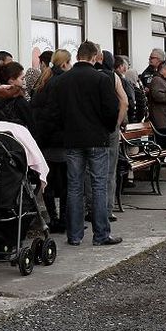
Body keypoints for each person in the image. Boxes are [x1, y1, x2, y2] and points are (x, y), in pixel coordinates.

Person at [53, 41, 121, 247]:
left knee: (74, 187)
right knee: (99, 185)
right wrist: (107, 128)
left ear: (77, 56)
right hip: (97, 139)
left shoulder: (63, 80)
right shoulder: (101, 79)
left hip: (73, 139)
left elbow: (57, 111)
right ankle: (101, 234)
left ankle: (74, 235)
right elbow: (111, 110)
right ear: (93, 57)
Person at [31, 49, 72, 232]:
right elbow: (57, 113)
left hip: (44, 140)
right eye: (69, 63)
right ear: (64, 64)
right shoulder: (61, 82)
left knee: (48, 182)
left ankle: (54, 219)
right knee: (64, 184)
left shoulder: (43, 81)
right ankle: (61, 220)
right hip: (58, 140)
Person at [91, 48, 127, 222]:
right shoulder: (113, 77)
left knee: (88, 170)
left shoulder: (88, 75)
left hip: (90, 128)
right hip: (109, 128)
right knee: (109, 170)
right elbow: (125, 102)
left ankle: (91, 208)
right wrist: (117, 123)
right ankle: (107, 208)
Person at [0, 61, 34, 132]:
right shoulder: (18, 101)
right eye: (22, 79)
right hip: (18, 140)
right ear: (11, 81)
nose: (24, 82)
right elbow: (32, 126)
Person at [147, 60, 166, 148]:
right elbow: (157, 95)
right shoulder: (157, 80)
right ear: (162, 70)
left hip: (165, 118)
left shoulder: (163, 80)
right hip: (161, 120)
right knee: (163, 143)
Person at [114, 55, 136, 119]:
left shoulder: (109, 78)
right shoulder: (124, 81)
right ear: (121, 66)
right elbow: (131, 99)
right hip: (124, 115)